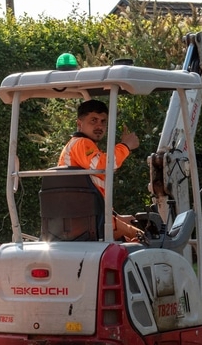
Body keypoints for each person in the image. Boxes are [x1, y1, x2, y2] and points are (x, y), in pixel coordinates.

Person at [57, 99, 143, 241]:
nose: (99, 126)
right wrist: (125, 146)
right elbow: (103, 165)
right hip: (87, 220)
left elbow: (93, 192)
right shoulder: (81, 143)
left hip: (87, 216)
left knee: (133, 236)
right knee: (145, 238)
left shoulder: (84, 147)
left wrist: (116, 216)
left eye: (103, 121)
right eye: (93, 120)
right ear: (79, 124)